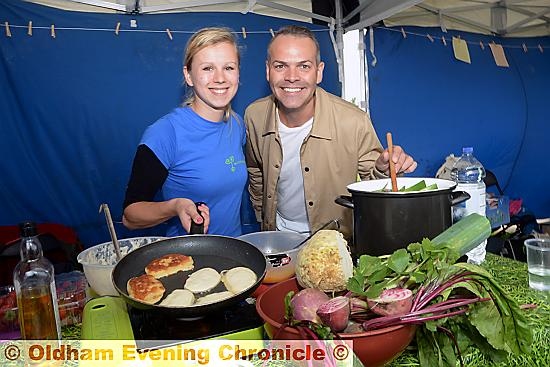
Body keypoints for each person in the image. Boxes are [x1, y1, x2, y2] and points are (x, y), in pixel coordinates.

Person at [244, 25, 417, 239]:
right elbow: (256, 171)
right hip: (277, 236)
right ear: (268, 70)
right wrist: (262, 217)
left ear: (319, 72)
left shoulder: (353, 121)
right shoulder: (254, 116)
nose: (291, 77)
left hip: (335, 240)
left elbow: (375, 184)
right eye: (281, 66)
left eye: (304, 66)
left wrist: (384, 167)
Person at [122, 27, 246, 237]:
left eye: (229, 67)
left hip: (235, 254)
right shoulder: (165, 133)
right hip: (188, 259)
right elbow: (130, 216)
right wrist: (174, 206)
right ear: (188, 75)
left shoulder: (237, 124)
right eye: (207, 68)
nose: (220, 78)